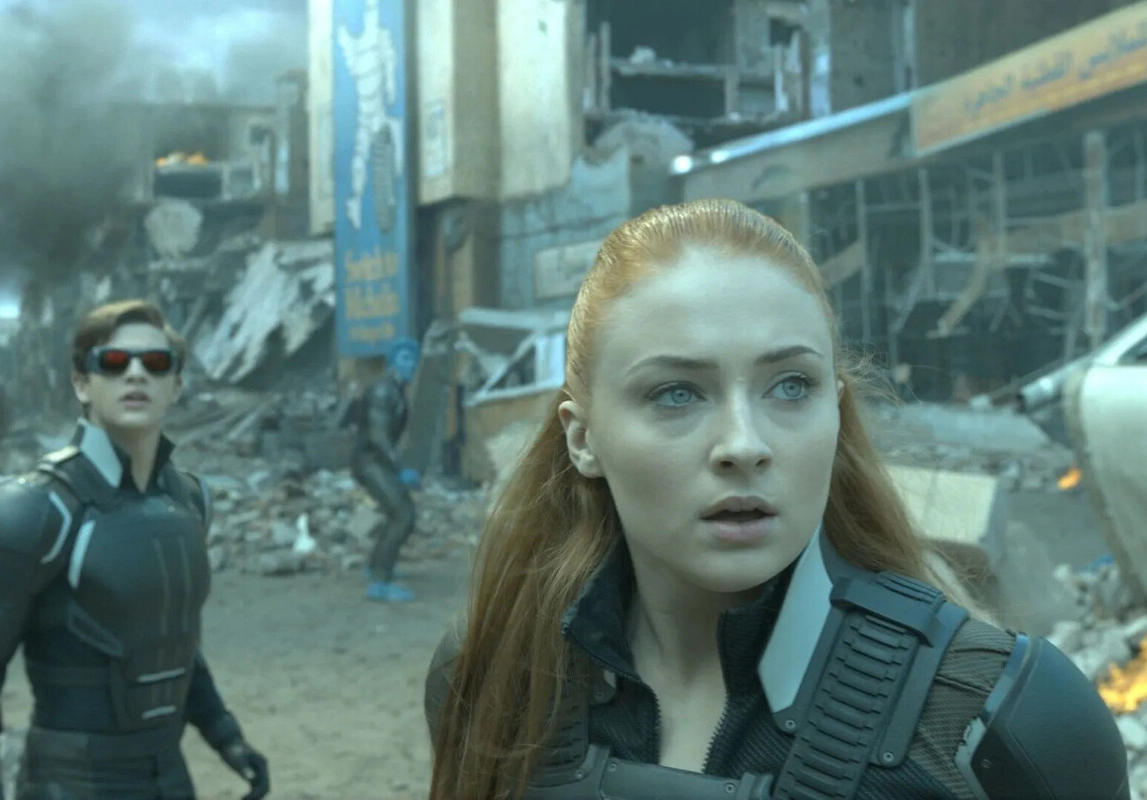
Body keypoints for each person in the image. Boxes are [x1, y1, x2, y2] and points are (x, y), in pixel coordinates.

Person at [423, 199, 1129, 799]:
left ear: (836, 410)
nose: (744, 444)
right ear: (583, 439)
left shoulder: (1008, 724)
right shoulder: (492, 676)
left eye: (791, 386)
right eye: (676, 393)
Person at [0, 299, 270, 800]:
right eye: (114, 362)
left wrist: (224, 733)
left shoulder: (188, 500)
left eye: (156, 363)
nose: (136, 374)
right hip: (72, 779)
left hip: (168, 773)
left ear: (175, 386)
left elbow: (166, 635)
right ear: (82, 383)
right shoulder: (32, 508)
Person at [341, 337, 421, 602]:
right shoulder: (384, 390)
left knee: (399, 513)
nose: (411, 365)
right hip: (370, 462)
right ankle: (380, 582)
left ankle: (376, 566)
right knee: (403, 515)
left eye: (413, 359)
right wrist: (399, 469)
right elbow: (380, 437)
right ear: (393, 362)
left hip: (377, 461)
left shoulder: (396, 389)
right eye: (405, 359)